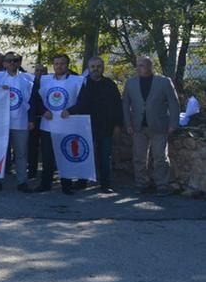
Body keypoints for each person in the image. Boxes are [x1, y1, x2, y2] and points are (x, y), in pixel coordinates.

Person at [122, 56, 180, 195]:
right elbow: (125, 104)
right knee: (138, 158)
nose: (138, 68)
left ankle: (162, 185)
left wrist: (173, 123)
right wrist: (128, 123)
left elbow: (173, 103)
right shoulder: (130, 83)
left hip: (159, 126)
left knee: (160, 157)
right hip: (138, 126)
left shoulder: (164, 82)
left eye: (142, 65)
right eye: (137, 65)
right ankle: (142, 183)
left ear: (150, 66)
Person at [33, 54, 84, 194]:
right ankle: (45, 184)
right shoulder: (44, 80)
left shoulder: (77, 81)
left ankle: (66, 186)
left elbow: (83, 102)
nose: (59, 66)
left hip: (67, 124)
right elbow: (36, 100)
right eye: (56, 63)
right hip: (47, 124)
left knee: (65, 155)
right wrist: (43, 111)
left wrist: (71, 110)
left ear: (67, 65)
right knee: (47, 156)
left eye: (62, 63)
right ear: (53, 65)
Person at [73, 56, 123, 193]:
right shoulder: (82, 84)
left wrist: (118, 125)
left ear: (103, 67)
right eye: (93, 67)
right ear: (89, 68)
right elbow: (77, 104)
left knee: (104, 156)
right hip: (85, 125)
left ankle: (105, 184)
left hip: (106, 126)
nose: (95, 69)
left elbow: (118, 105)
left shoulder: (110, 85)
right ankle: (82, 181)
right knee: (84, 154)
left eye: (98, 66)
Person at [0, 52, 34, 193]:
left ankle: (22, 182)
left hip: (21, 122)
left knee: (21, 153)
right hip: (1, 122)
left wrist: (32, 119)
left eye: (15, 60)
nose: (12, 63)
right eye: (9, 61)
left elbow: (33, 101)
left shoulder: (28, 79)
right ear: (4, 63)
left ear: (20, 62)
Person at [27, 64, 48, 179]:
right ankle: (32, 170)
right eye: (37, 71)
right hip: (34, 119)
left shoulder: (50, 84)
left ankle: (48, 170)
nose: (39, 73)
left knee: (46, 148)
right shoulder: (30, 85)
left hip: (47, 119)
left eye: (42, 71)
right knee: (32, 147)